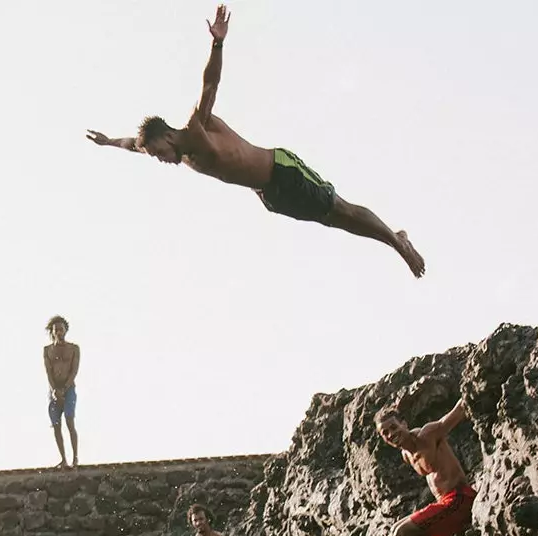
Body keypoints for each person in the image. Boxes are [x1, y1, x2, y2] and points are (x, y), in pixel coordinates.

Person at [86, 5, 425, 279]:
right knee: (334, 219)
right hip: (270, 195)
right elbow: (134, 144)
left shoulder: (196, 127)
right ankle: (395, 239)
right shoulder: (179, 153)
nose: (161, 160)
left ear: (167, 135)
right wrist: (108, 141)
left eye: (159, 153)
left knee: (341, 208)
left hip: (281, 169)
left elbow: (210, 84)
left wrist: (217, 43)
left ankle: (398, 243)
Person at [375, 400, 477, 536]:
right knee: (395, 534)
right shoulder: (406, 455)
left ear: (404, 423)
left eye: (394, 427)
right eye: (386, 433)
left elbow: (458, 411)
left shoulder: (428, 434)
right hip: (445, 505)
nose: (392, 434)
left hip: (460, 498)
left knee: (401, 534)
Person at [43, 316, 81, 469]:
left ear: (66, 330)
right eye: (56, 330)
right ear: (52, 332)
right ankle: (63, 459)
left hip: (69, 388)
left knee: (69, 420)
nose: (59, 332)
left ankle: (75, 458)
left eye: (61, 329)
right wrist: (54, 390)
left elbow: (74, 370)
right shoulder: (48, 350)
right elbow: (48, 372)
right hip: (54, 390)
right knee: (56, 425)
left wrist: (64, 389)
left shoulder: (73, 349)